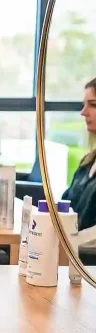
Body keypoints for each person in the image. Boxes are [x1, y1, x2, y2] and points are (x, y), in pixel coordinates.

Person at [62, 77, 96, 232]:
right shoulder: (87, 164)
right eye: (84, 105)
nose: (83, 112)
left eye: (93, 105)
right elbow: (65, 205)